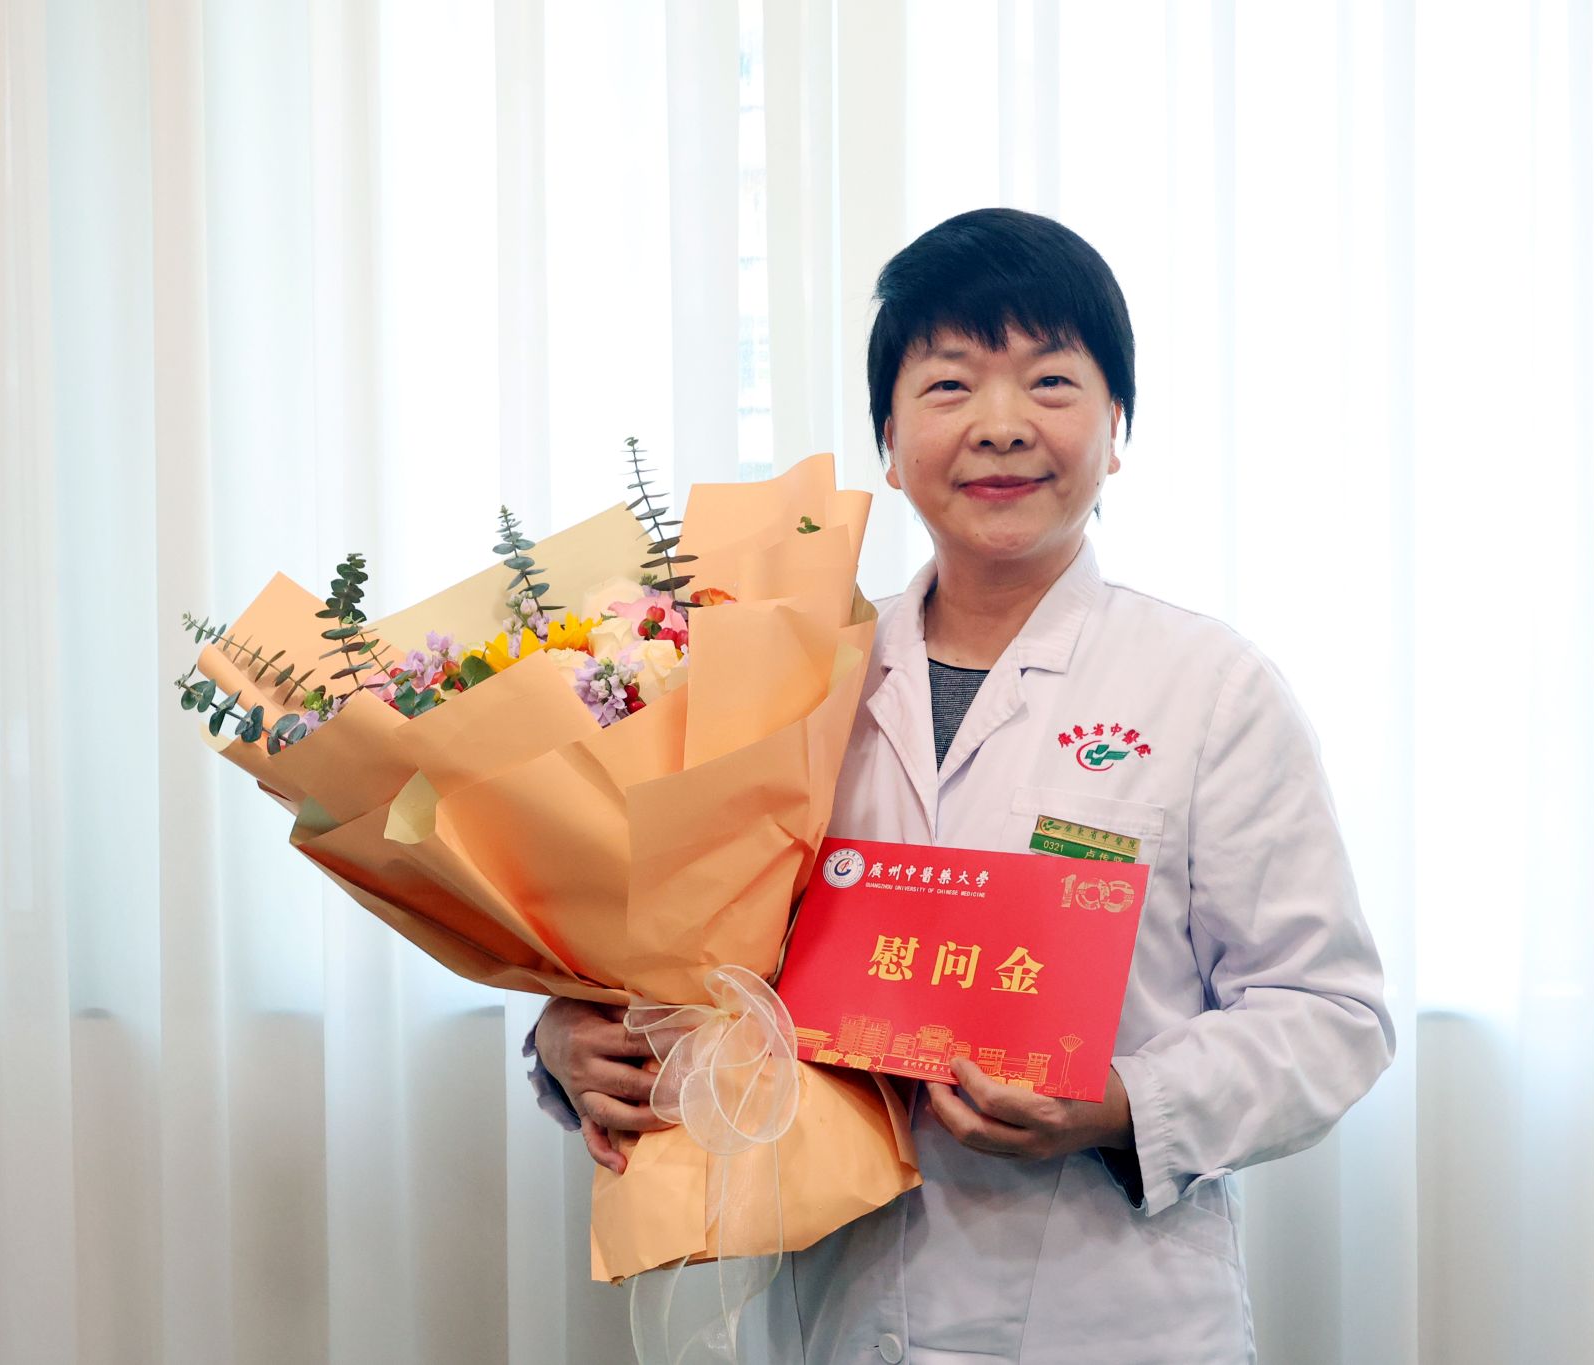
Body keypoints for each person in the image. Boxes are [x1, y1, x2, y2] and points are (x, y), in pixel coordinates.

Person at [528, 207, 1394, 1363]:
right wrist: (574, 1042)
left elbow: (1329, 1017)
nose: (999, 425)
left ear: (1116, 430)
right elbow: (693, 963)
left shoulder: (1208, 687)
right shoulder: (787, 678)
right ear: (888, 445)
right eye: (947, 385)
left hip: (1112, 1318)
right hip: (848, 1302)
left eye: (1050, 381)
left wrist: (1121, 1103)